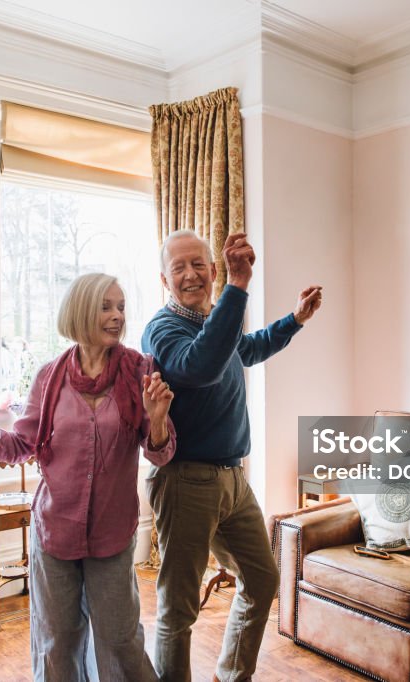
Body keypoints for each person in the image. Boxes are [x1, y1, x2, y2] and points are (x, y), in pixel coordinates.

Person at [0, 273, 176, 682]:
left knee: (120, 641)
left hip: (112, 534)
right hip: (54, 531)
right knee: (57, 643)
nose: (117, 316)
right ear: (81, 310)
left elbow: (162, 453)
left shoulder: (139, 369)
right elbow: (17, 448)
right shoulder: (50, 377)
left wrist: (157, 420)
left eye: (121, 307)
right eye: (106, 307)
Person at [141, 230, 323, 682]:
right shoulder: (162, 330)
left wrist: (295, 319)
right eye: (178, 267)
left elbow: (250, 347)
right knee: (178, 609)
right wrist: (238, 289)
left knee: (262, 579)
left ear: (213, 270)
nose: (189, 274)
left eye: (198, 264)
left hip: (233, 480)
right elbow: (197, 367)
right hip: (185, 481)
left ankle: (230, 676)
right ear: (164, 279)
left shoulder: (215, 325)